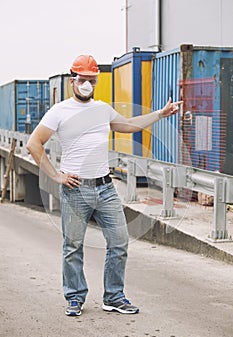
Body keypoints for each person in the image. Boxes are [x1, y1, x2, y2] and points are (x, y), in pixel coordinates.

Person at [26, 54, 182, 316]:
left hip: (105, 188)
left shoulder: (102, 109)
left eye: (92, 80)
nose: (87, 84)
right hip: (75, 189)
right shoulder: (60, 111)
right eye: (83, 79)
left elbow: (130, 125)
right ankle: (75, 297)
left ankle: (113, 297)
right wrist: (56, 176)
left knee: (119, 242)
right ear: (72, 81)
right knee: (72, 246)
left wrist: (160, 114)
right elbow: (34, 143)